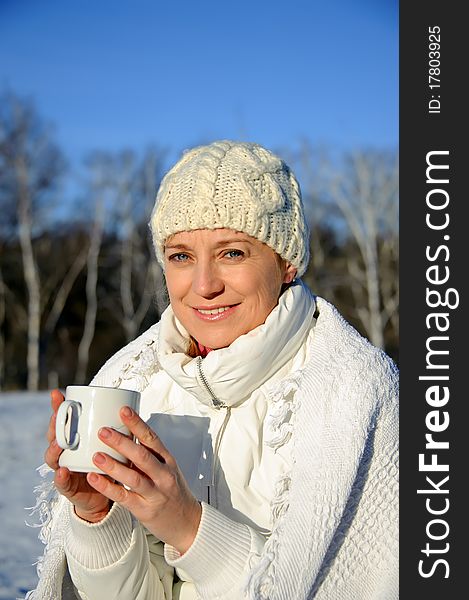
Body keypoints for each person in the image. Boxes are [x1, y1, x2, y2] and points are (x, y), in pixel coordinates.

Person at [26, 140, 398, 600]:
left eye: (232, 253)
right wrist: (99, 516)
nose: (204, 286)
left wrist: (188, 527)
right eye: (181, 256)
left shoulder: (356, 395)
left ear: (286, 262)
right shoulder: (132, 380)